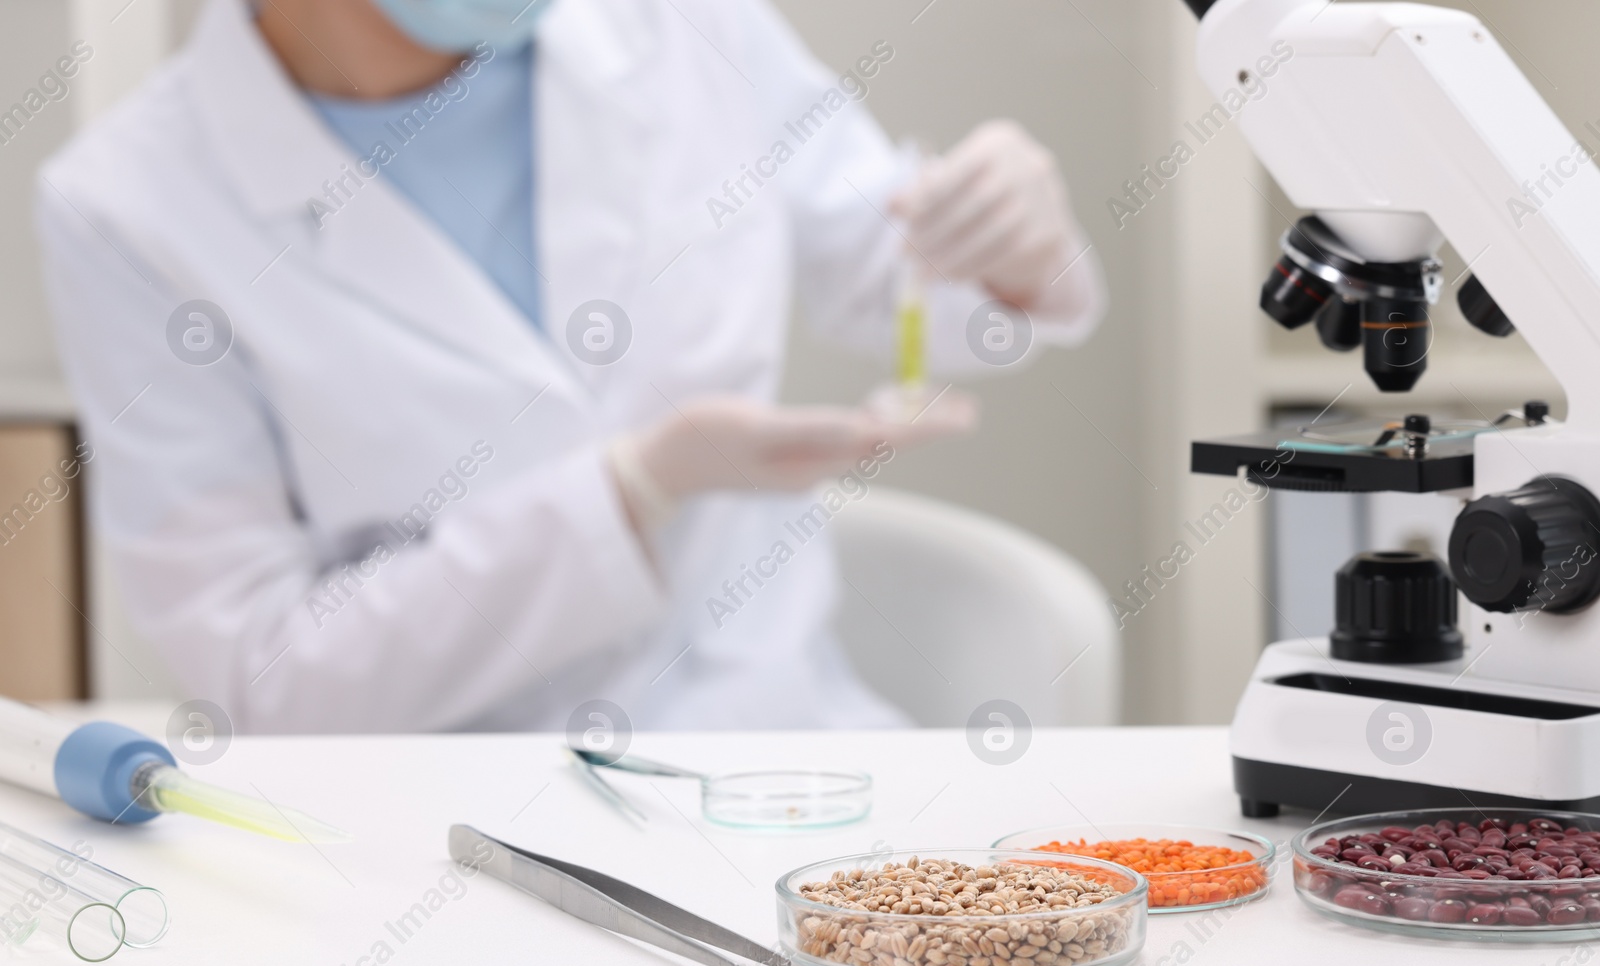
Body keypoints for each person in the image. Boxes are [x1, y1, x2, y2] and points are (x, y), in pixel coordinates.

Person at [36, 0, 1106, 733]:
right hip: (435, 838)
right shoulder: (129, 206)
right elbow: (265, 673)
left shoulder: (678, 26)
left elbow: (910, 279)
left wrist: (1016, 240)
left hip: (779, 757)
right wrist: (633, 490)